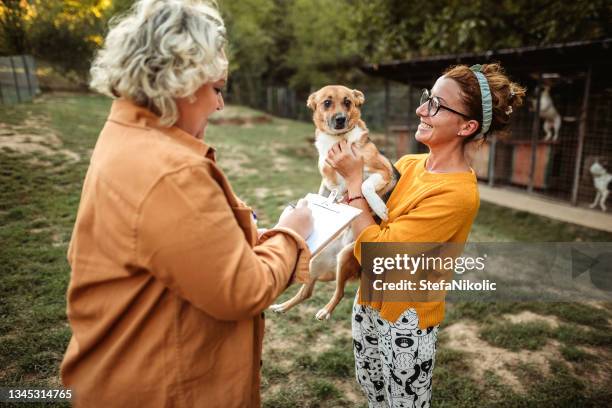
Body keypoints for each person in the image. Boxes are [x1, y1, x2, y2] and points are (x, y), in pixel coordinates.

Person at [60, 1, 313, 407]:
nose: (219, 104)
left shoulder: (123, 134)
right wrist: (291, 233)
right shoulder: (171, 171)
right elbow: (243, 290)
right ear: (181, 80)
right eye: (216, 89)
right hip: (162, 391)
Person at [327, 63, 526, 407]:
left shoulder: (457, 195)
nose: (421, 109)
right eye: (425, 98)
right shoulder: (408, 164)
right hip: (368, 304)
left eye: (436, 104)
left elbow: (381, 255)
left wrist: (355, 185)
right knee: (372, 392)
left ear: (467, 126)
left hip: (407, 321)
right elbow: (367, 223)